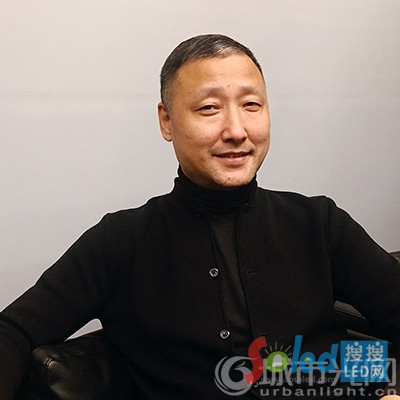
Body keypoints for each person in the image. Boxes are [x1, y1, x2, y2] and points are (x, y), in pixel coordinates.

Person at [0, 34, 399, 400]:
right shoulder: (121, 240)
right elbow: (14, 331)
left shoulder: (318, 223)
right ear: (167, 121)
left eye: (251, 105)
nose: (236, 130)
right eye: (209, 108)